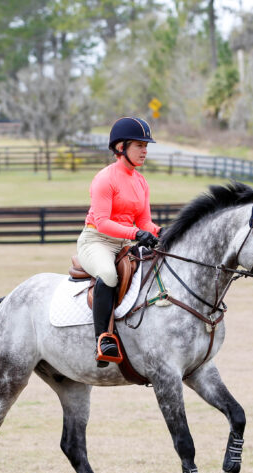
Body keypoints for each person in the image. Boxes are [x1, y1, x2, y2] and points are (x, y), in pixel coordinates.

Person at [78, 116, 162, 367]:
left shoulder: (141, 181)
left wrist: (162, 232)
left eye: (146, 146)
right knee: (108, 274)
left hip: (125, 242)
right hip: (97, 241)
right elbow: (102, 222)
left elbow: (144, 221)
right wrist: (136, 234)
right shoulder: (105, 178)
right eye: (139, 145)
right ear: (120, 147)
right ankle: (103, 339)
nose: (145, 151)